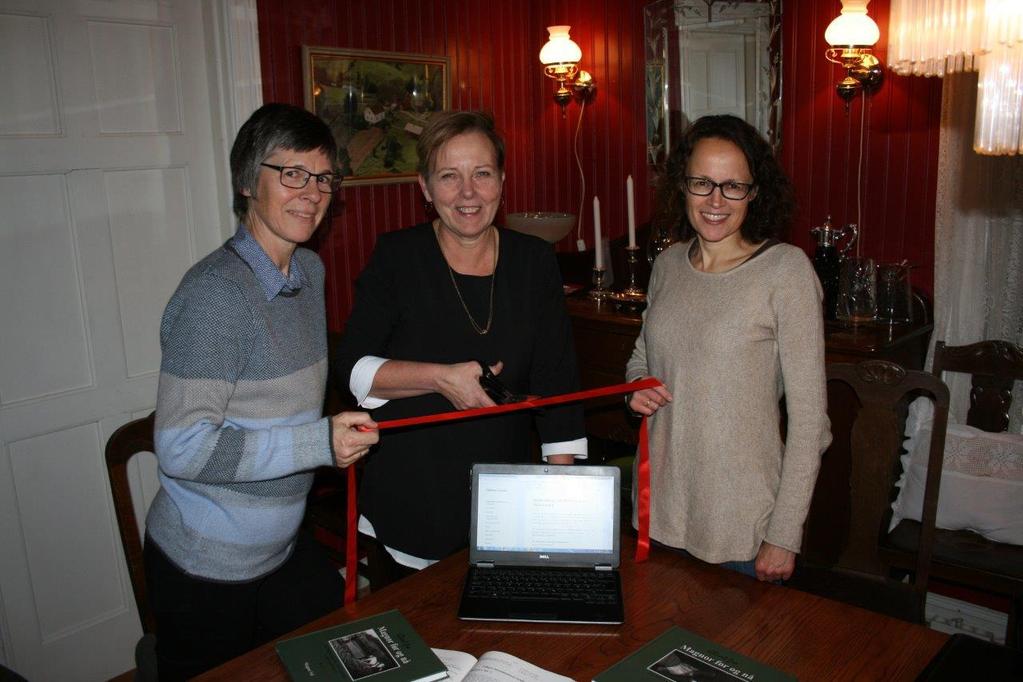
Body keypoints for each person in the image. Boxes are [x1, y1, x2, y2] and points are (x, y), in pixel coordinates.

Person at [144, 103, 379, 680]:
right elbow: (183, 448)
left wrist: (334, 429)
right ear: (249, 182)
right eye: (291, 173)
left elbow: (280, 405)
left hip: (282, 542)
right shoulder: (216, 297)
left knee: (347, 658)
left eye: (323, 177)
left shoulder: (308, 271)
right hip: (207, 565)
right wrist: (317, 444)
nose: (312, 191)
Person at [334, 110, 586, 585]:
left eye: (482, 174)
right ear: (426, 188)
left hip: (505, 501)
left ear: (502, 181)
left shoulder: (534, 262)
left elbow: (558, 389)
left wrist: (564, 501)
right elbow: (350, 371)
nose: (467, 193)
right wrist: (438, 377)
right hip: (410, 500)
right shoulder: (397, 256)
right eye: (449, 176)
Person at [626, 114, 831, 582]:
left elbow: (810, 423)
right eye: (702, 183)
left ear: (755, 191)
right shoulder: (668, 264)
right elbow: (643, 356)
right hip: (658, 514)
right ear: (682, 186)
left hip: (742, 532)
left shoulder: (786, 272)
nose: (716, 200)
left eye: (733, 186)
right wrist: (635, 387)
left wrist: (783, 534)